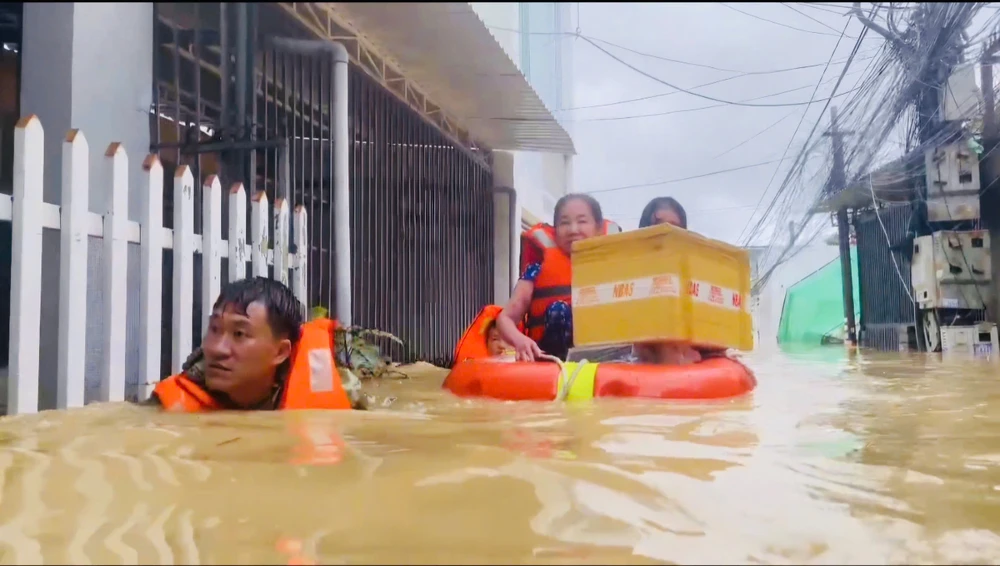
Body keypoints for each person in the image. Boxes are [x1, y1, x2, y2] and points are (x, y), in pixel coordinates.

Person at [147, 277, 353, 411]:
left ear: (280, 352)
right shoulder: (167, 406)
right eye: (215, 329)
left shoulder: (348, 388)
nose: (216, 349)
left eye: (239, 333)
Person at [496, 193, 605, 362]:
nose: (573, 229)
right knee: (558, 311)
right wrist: (520, 341)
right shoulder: (536, 270)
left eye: (582, 221)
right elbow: (505, 319)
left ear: (598, 228)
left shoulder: (614, 268)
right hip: (549, 362)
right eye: (565, 223)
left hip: (603, 360)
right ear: (555, 231)